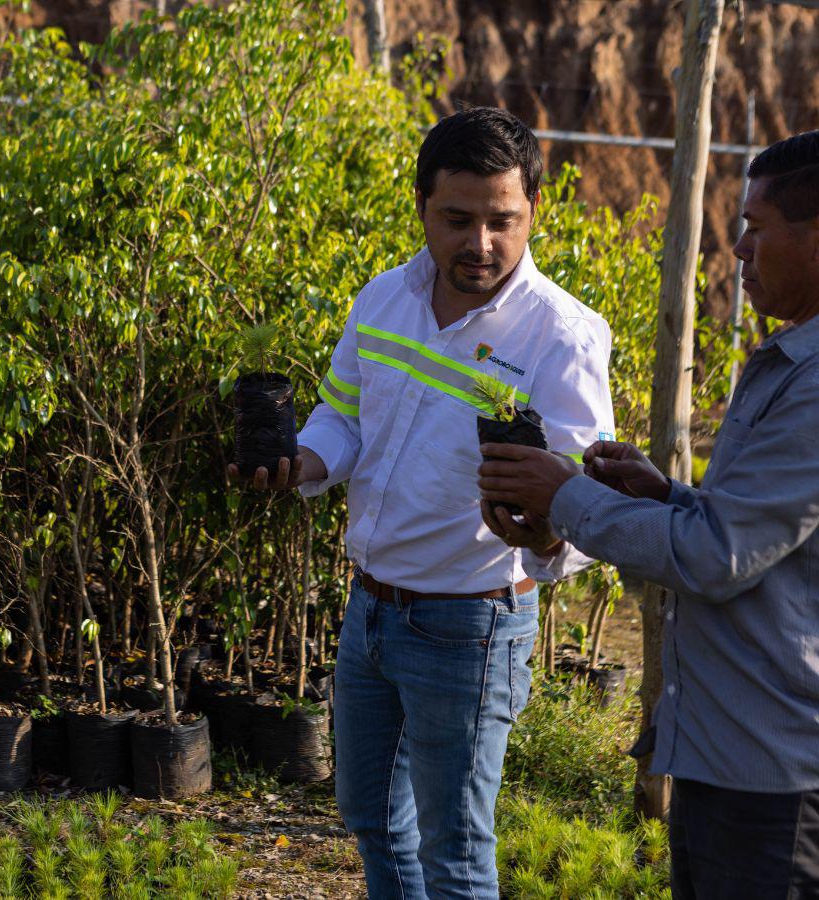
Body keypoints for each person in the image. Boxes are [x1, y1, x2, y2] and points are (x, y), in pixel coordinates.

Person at [231, 107, 615, 898]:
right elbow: (342, 416)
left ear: (533, 211)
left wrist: (545, 529)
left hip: (469, 626)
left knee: (455, 854)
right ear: (422, 208)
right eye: (458, 219)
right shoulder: (385, 299)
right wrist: (301, 461)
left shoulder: (561, 335)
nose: (481, 244)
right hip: (369, 610)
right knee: (372, 821)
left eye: (502, 221)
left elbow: (585, 499)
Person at [476, 130, 819, 898]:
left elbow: (716, 556)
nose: (738, 250)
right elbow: (762, 534)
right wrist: (665, 495)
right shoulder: (789, 363)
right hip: (729, 751)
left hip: (774, 776)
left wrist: (564, 494)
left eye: (758, 228)